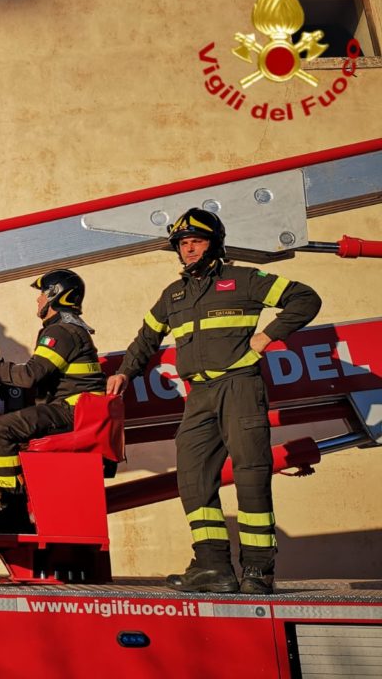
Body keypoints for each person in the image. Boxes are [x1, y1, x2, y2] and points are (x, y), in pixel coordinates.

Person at [106, 208, 321, 594]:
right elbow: (146, 339)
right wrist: (125, 371)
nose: (189, 249)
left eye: (196, 241)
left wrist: (267, 336)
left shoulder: (243, 280)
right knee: (192, 476)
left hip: (239, 386)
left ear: (214, 244)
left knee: (251, 474)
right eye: (183, 243)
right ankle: (212, 567)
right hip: (199, 395)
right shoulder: (173, 294)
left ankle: (258, 571)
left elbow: (305, 298)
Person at [0, 269, 106, 531]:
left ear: (55, 295)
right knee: (7, 430)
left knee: (1, 429)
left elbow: (29, 375)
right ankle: (7, 508)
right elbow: (39, 375)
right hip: (73, 409)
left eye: (41, 294)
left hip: (73, 410)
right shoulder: (65, 329)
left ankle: (6, 510)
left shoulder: (61, 332)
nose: (37, 300)